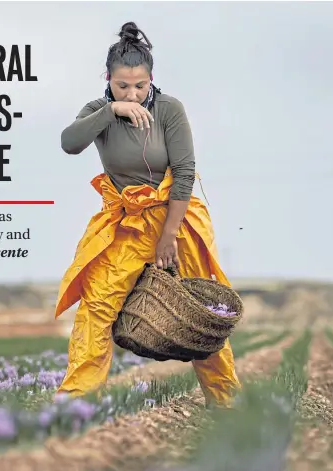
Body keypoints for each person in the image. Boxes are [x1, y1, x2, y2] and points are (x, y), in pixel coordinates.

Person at [53, 21, 241, 408]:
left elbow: (185, 173)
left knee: (200, 315)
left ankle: (227, 404)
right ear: (109, 79)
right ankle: (74, 405)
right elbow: (69, 142)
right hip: (126, 222)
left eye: (140, 85)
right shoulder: (98, 111)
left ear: (151, 78)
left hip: (177, 220)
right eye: (123, 86)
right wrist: (112, 110)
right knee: (97, 307)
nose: (133, 93)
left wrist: (168, 237)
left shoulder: (170, 109)